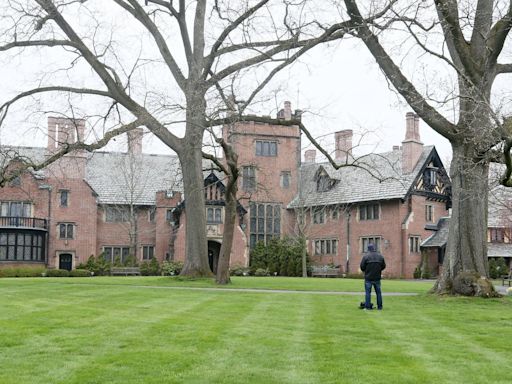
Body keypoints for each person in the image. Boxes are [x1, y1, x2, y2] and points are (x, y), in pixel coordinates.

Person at [360, 243, 386, 310]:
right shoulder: (380, 256)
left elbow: (362, 267)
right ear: (375, 248)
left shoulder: (366, 257)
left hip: (368, 278)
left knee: (368, 293)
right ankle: (380, 307)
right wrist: (378, 270)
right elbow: (383, 266)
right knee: (378, 293)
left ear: (368, 249)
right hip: (377, 278)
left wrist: (367, 270)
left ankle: (367, 307)